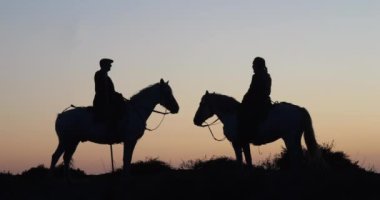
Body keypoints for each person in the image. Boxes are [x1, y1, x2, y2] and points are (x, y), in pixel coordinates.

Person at [238, 57, 272, 142]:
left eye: (254, 65)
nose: (252, 67)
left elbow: (251, 90)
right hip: (265, 101)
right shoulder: (267, 76)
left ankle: (251, 135)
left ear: (258, 66)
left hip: (257, 103)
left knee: (246, 117)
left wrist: (244, 100)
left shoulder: (256, 76)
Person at [93, 58, 125, 131]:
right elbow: (102, 89)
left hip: (108, 99)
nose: (110, 66)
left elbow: (110, 90)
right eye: (109, 64)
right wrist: (114, 95)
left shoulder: (106, 76)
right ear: (104, 65)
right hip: (102, 101)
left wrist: (117, 94)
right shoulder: (99, 74)